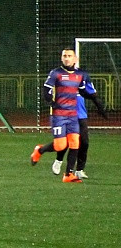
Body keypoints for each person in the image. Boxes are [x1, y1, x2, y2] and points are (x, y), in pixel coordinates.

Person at [30, 48, 107, 182]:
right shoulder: (56, 73)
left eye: (69, 56)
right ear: (61, 58)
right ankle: (40, 150)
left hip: (73, 114)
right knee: (60, 146)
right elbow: (47, 89)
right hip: (59, 115)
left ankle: (68, 175)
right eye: (64, 56)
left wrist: (95, 100)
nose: (66, 58)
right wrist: (51, 102)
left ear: (75, 59)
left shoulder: (80, 75)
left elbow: (83, 92)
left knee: (75, 143)